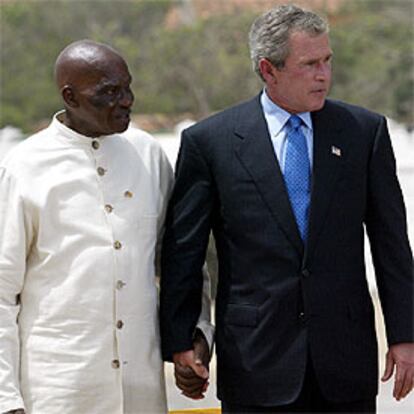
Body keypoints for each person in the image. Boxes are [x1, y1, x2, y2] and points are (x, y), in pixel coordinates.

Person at [160, 4, 414, 413]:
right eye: (309, 64)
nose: (324, 75)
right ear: (268, 69)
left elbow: (391, 243)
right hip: (255, 360)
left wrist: (405, 334)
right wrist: (182, 339)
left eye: (327, 61)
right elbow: (183, 253)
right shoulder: (211, 143)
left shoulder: (364, 133)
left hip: (345, 362)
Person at [0, 40, 213, 414]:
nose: (127, 100)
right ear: (70, 96)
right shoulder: (23, 168)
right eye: (109, 92)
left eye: (128, 87)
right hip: (60, 389)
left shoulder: (147, 155)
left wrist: (194, 335)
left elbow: (182, 259)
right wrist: (5, 398)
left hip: (140, 389)